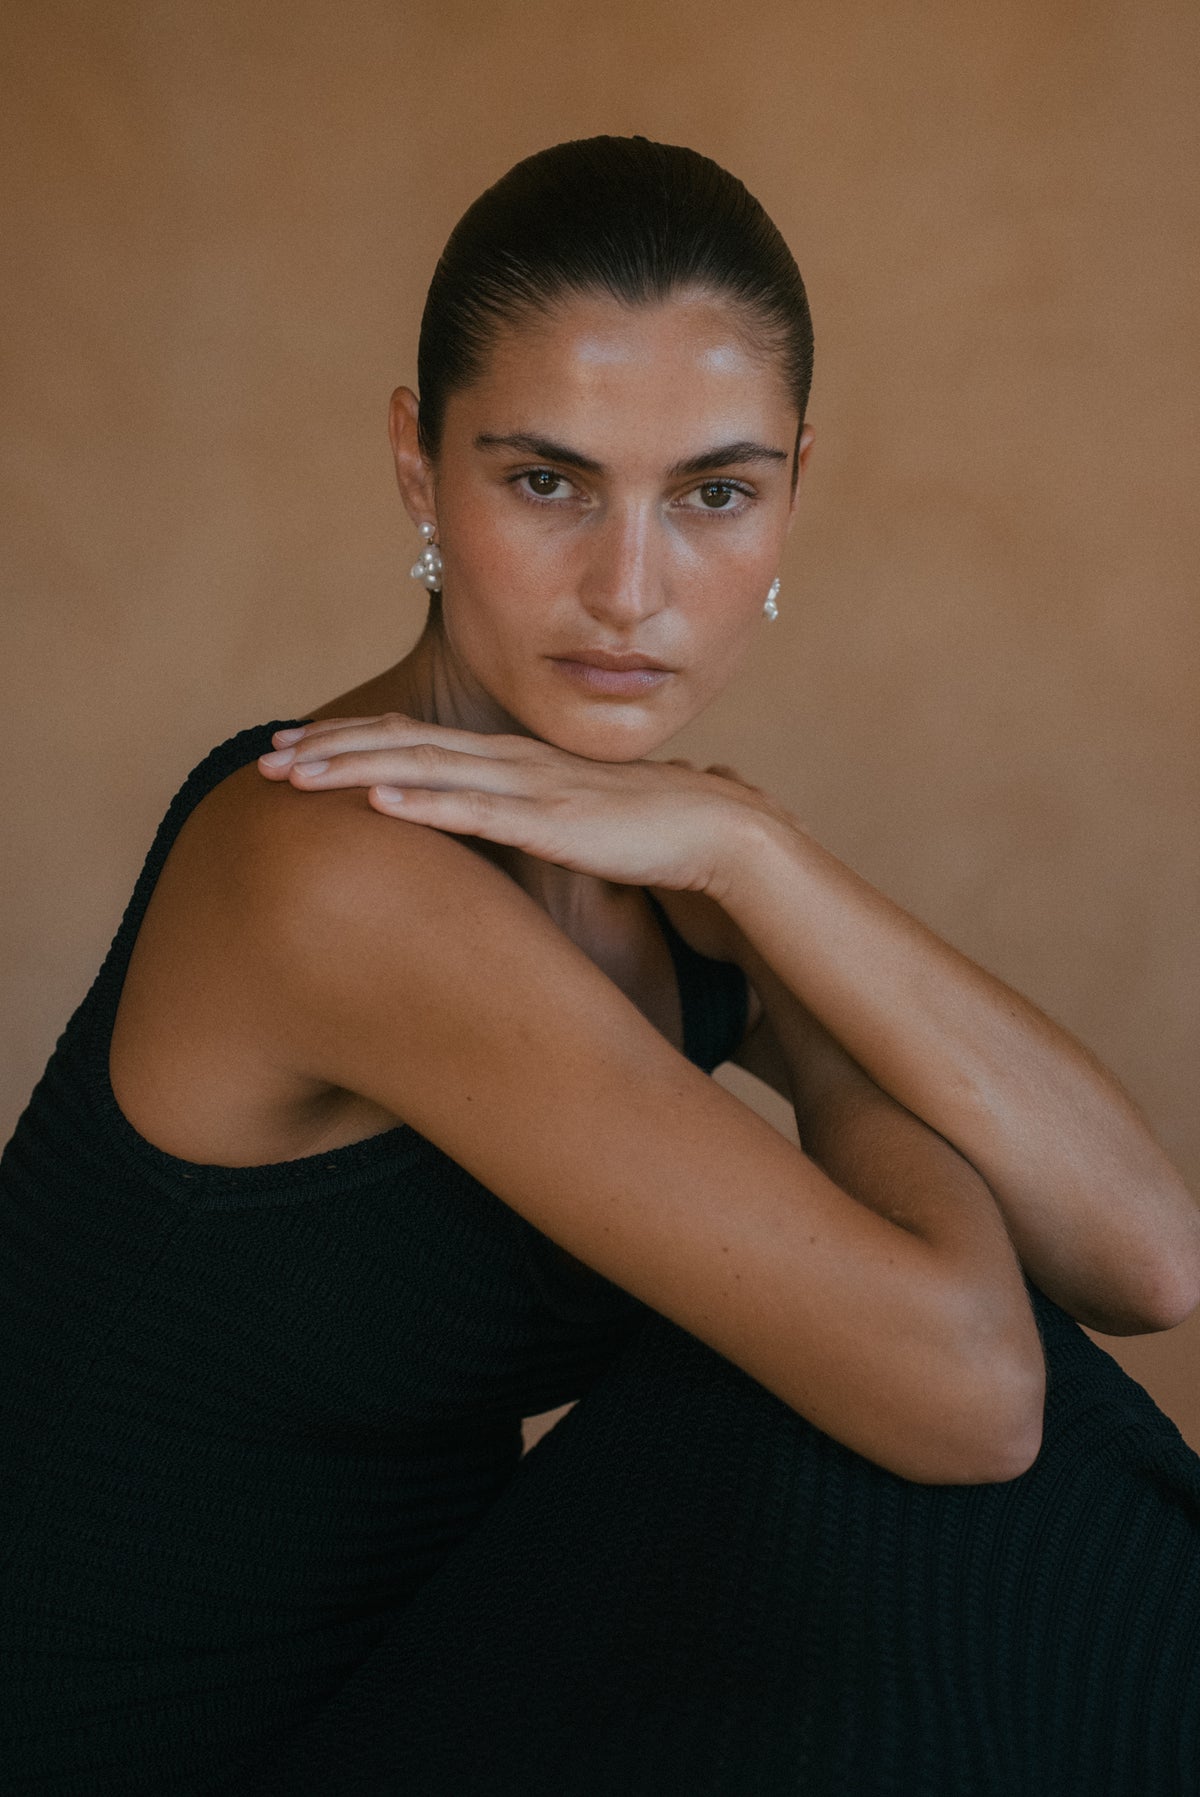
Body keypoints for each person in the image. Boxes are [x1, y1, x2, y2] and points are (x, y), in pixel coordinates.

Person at [3, 135, 1199, 1797]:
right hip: (163, 1759)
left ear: (794, 491)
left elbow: (1150, 1256)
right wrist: (779, 947)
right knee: (852, 1411)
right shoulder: (322, 866)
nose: (630, 591)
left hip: (426, 1688)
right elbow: (978, 1392)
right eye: (547, 481)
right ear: (420, 464)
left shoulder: (657, 860)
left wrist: (760, 861)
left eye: (714, 493)